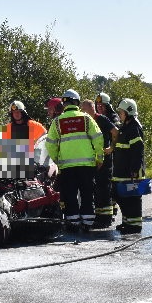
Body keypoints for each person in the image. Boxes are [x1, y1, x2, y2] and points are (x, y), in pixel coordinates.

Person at [46, 89, 104, 231]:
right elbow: (98, 138)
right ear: (77, 102)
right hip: (87, 165)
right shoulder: (86, 118)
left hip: (67, 167)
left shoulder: (57, 121)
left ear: (64, 104)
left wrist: (57, 160)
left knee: (71, 196)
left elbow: (50, 144)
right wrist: (99, 158)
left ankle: (73, 223)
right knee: (87, 195)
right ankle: (88, 223)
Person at [81, 99, 119, 228]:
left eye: (84, 110)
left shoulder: (102, 119)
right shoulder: (86, 122)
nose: (83, 113)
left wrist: (111, 148)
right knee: (96, 189)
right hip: (92, 160)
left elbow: (115, 132)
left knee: (104, 188)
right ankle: (99, 216)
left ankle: (106, 218)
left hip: (105, 160)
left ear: (92, 109)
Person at [112, 98, 145, 234]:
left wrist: (133, 169)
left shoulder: (134, 127)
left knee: (132, 199)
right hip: (121, 170)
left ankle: (135, 225)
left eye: (121, 112)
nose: (119, 114)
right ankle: (127, 222)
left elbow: (138, 150)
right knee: (121, 196)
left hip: (130, 171)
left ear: (128, 113)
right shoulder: (126, 126)